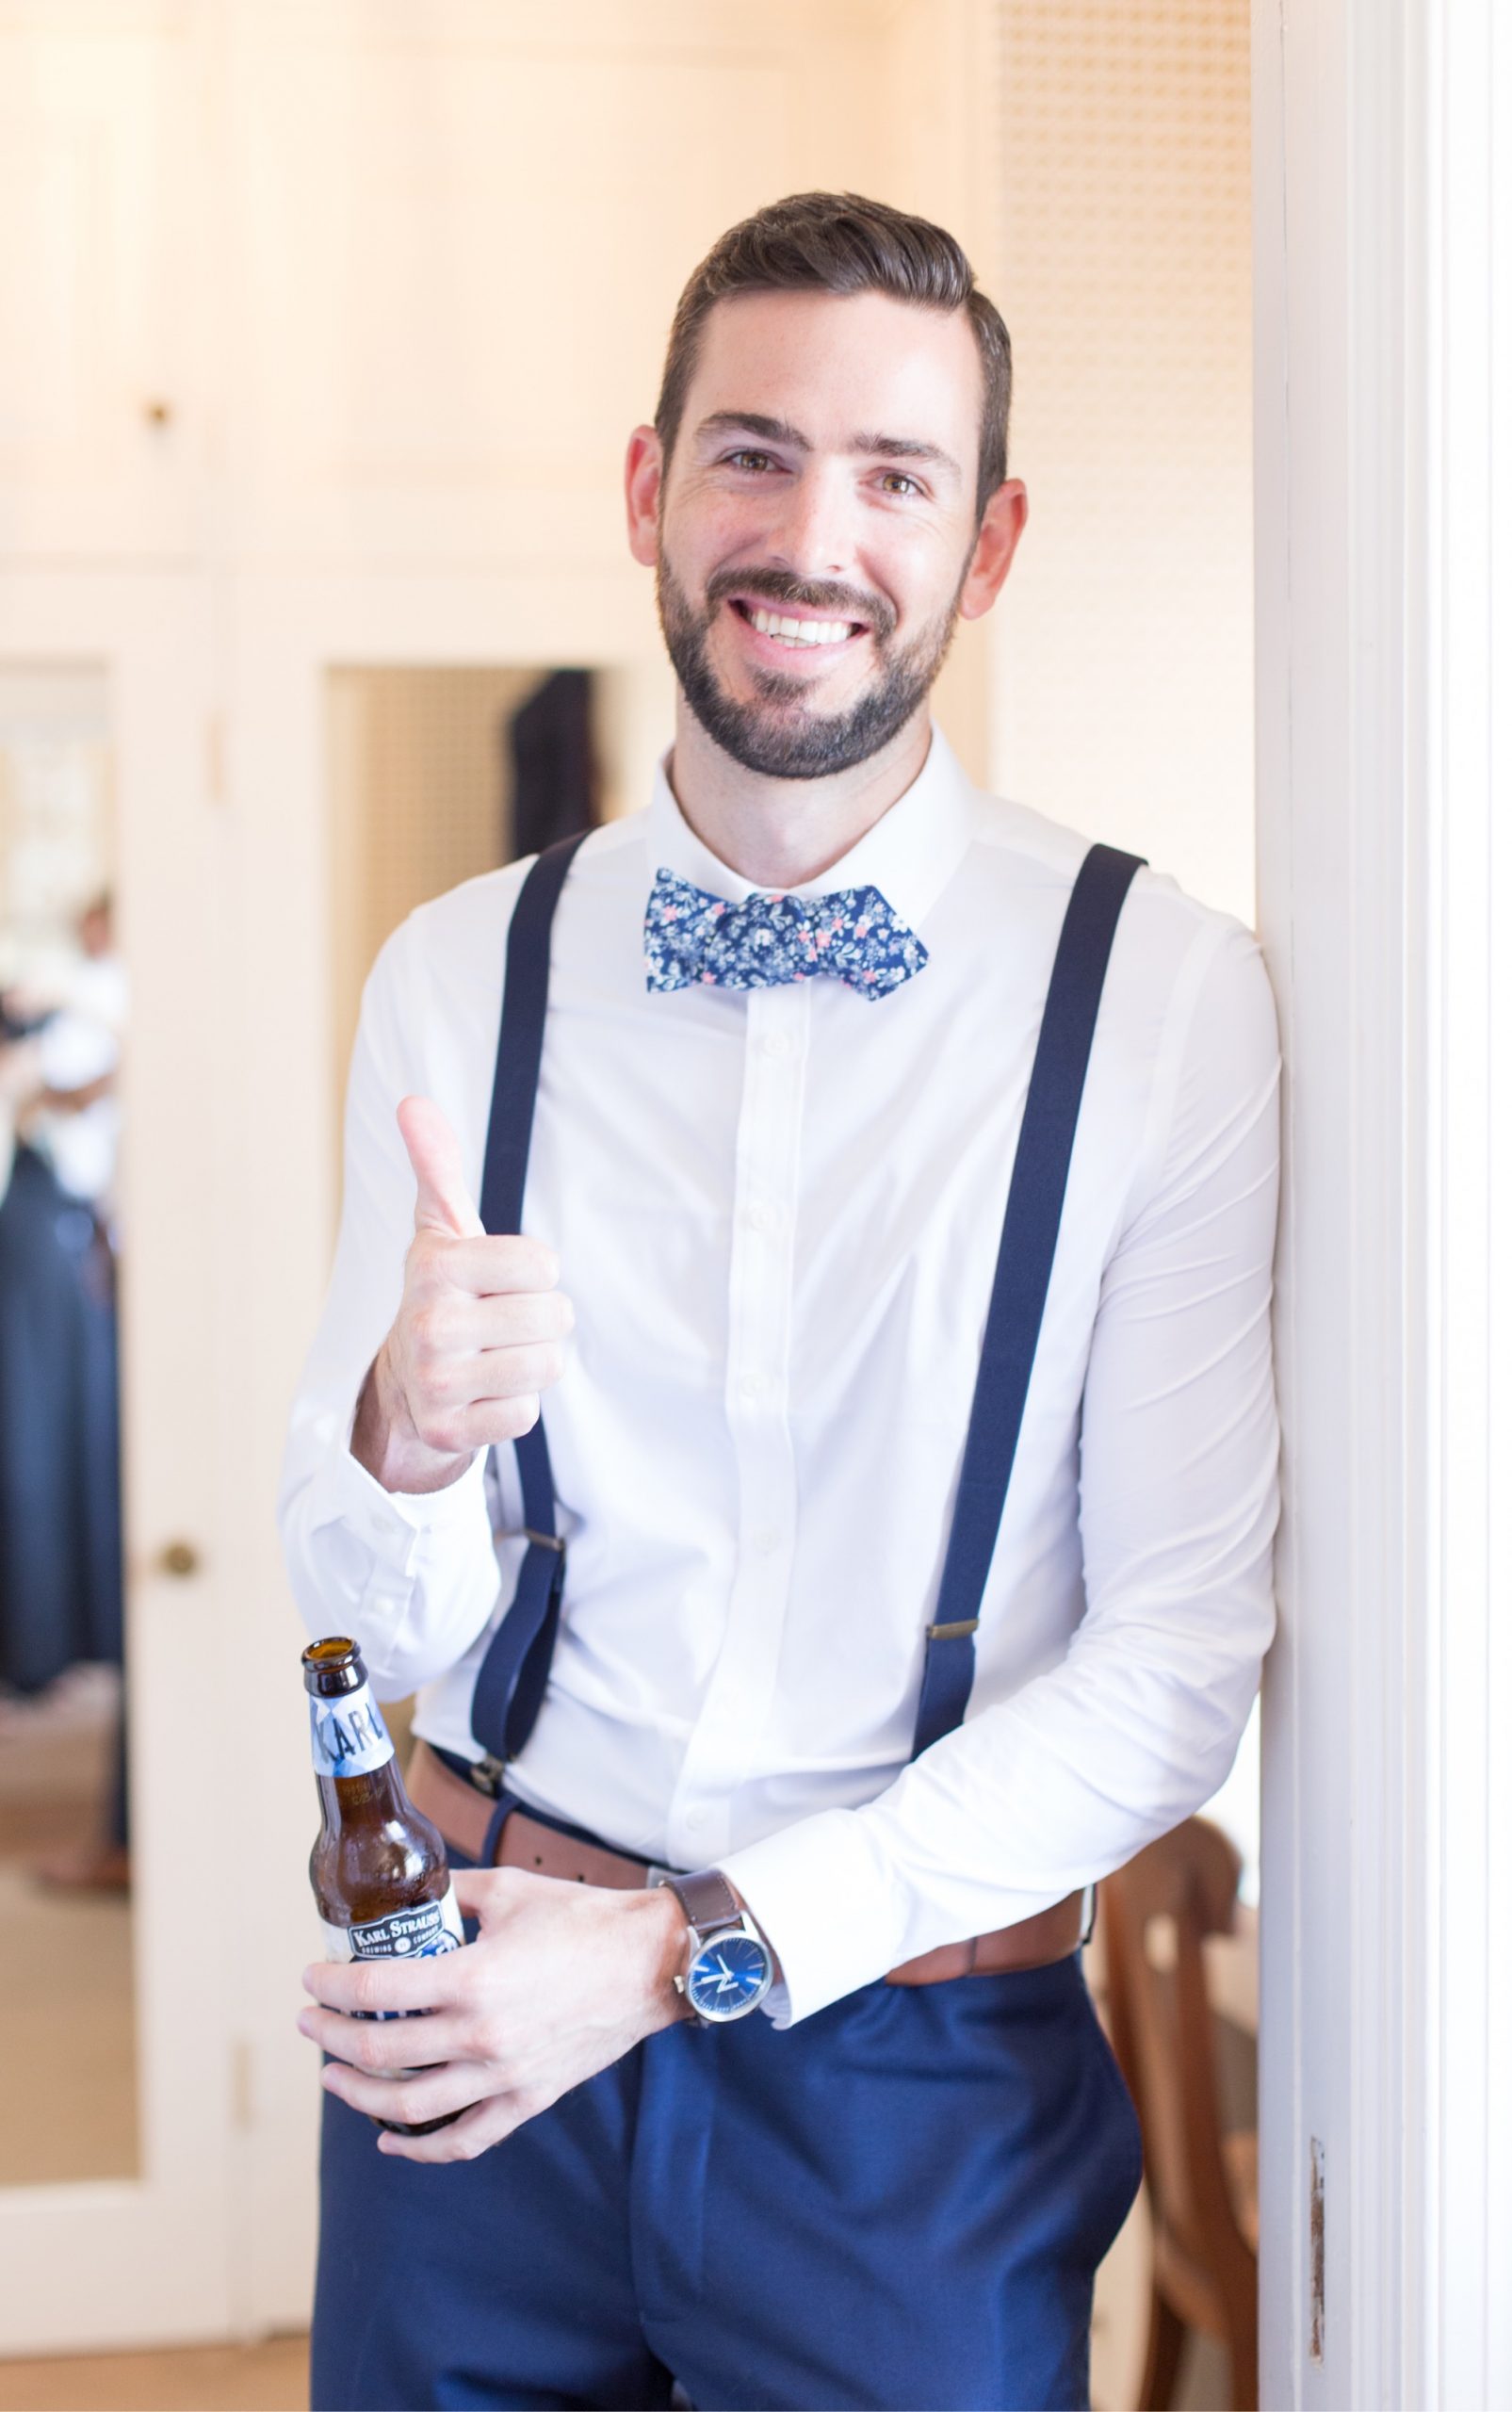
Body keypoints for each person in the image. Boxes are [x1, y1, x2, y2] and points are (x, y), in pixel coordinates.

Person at [280, 192, 1278, 2412]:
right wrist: (403, 1439)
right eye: (749, 452)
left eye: (891, 475)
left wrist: (675, 1953)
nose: (809, 533)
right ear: (648, 488)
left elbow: (1177, 1658)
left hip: (901, 2086)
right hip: (465, 2005)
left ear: (983, 541)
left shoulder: (1160, 1000)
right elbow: (365, 1607)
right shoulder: (460, 971)